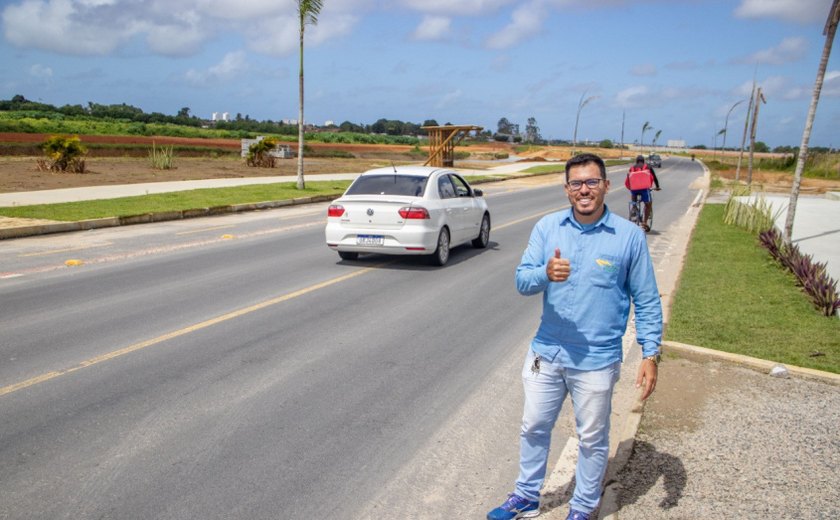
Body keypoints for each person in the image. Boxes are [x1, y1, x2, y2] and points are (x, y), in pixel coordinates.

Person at [487, 153, 663, 520]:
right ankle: (526, 495)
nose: (585, 190)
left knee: (593, 439)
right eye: (577, 183)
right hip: (546, 351)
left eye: (592, 182)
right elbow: (522, 280)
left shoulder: (628, 237)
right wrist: (545, 273)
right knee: (533, 425)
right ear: (567, 189)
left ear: (606, 185)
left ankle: (583, 507)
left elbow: (646, 299)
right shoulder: (548, 228)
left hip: (596, 360)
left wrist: (650, 354)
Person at [624, 155, 661, 231]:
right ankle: (644, 222)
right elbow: (654, 178)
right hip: (644, 190)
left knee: (633, 195)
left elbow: (629, 180)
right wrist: (657, 186)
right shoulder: (648, 167)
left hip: (634, 190)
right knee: (648, 204)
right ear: (643, 161)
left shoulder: (632, 168)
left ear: (636, 161)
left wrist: (630, 188)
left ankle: (634, 208)